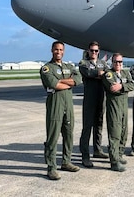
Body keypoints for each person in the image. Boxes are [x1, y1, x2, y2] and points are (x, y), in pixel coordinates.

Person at [39, 41, 82, 180]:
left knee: (69, 135)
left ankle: (66, 162)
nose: (58, 52)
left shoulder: (68, 66)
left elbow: (78, 80)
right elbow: (53, 84)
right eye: (56, 49)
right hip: (55, 105)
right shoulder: (47, 68)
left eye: (61, 50)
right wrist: (68, 83)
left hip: (68, 105)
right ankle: (51, 167)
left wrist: (63, 82)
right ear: (52, 50)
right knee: (53, 136)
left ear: (63, 51)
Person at [78, 41, 109, 168]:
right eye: (92, 50)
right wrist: (98, 74)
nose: (94, 53)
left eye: (96, 51)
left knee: (99, 124)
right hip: (90, 99)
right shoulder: (83, 63)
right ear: (88, 51)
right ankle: (85, 156)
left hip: (101, 98)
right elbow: (87, 73)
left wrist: (99, 74)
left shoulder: (103, 63)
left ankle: (97, 150)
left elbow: (107, 75)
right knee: (87, 127)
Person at [102, 53, 134, 172]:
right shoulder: (108, 74)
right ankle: (114, 161)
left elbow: (133, 85)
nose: (118, 64)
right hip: (114, 107)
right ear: (112, 62)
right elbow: (112, 88)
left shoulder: (126, 73)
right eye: (116, 62)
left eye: (120, 62)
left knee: (124, 132)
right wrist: (124, 87)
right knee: (114, 134)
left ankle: (119, 155)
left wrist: (121, 86)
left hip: (124, 106)